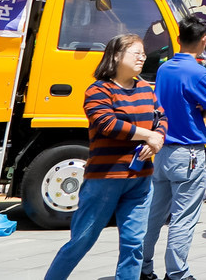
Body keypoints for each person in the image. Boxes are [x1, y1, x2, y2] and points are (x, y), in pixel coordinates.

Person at [44, 34, 163, 280]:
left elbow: (161, 118)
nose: (142, 58)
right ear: (116, 56)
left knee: (134, 243)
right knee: (82, 240)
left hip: (140, 178)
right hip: (105, 178)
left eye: (143, 53)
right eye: (136, 53)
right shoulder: (98, 90)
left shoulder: (146, 89)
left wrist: (157, 138)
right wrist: (148, 135)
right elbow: (108, 124)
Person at [142, 16, 206, 279]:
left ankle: (142, 267)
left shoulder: (164, 69)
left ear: (178, 39)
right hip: (189, 153)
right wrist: (200, 110)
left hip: (162, 148)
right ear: (204, 40)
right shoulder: (200, 73)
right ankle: (177, 273)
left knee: (153, 215)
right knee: (183, 218)